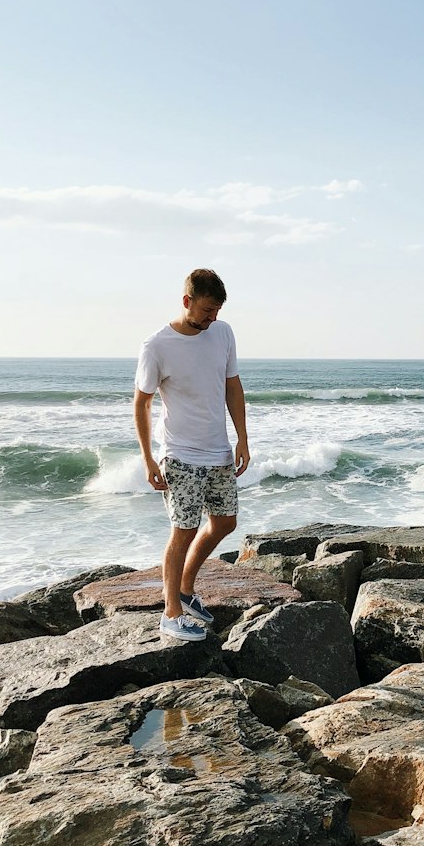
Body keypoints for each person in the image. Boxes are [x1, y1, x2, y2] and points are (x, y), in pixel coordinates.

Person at [133, 268, 250, 639]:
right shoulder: (157, 346)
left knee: (225, 522)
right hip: (180, 454)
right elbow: (142, 404)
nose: (211, 318)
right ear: (187, 301)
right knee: (183, 529)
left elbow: (233, 386)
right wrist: (149, 458)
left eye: (216, 310)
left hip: (218, 450)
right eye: (205, 310)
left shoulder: (223, 333)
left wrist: (242, 438)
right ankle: (170, 613)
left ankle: (184, 591)